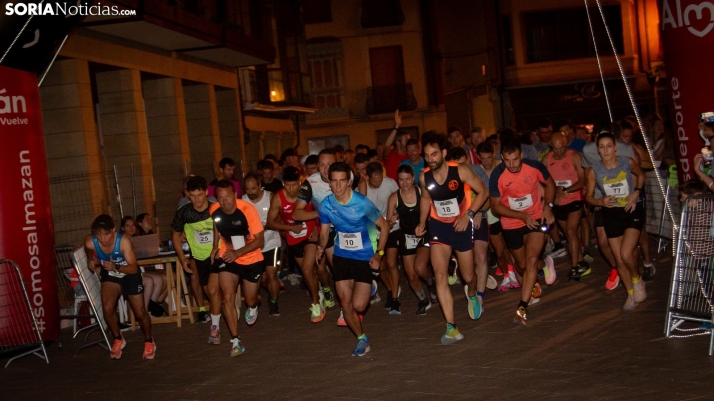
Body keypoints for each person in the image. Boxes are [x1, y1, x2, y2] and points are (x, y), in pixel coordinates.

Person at [414, 131, 489, 344]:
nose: (431, 159)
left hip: (461, 225)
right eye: (427, 155)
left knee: (468, 276)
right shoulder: (424, 177)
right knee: (440, 275)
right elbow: (426, 200)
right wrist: (422, 222)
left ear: (444, 153)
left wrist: (469, 214)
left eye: (435, 154)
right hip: (439, 227)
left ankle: (472, 294)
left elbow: (482, 192)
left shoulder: (461, 171)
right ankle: (451, 326)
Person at [316, 162, 391, 356]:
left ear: (349, 182)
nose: (338, 186)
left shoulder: (362, 203)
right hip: (342, 255)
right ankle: (361, 339)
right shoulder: (326, 205)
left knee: (359, 305)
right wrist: (320, 247)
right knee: (346, 303)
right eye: (334, 181)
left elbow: (384, 226)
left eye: (342, 181)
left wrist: (379, 254)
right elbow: (324, 233)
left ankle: (371, 286)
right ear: (329, 183)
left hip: (364, 256)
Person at [489, 138, 556, 326]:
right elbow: (495, 207)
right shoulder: (497, 175)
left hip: (535, 218)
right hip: (511, 223)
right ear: (502, 158)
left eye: (516, 160)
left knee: (531, 259)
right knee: (521, 266)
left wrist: (548, 207)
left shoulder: (534, 167)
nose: (512, 165)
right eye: (507, 160)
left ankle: (522, 308)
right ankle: (546, 263)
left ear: (522, 155)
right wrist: (520, 216)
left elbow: (551, 185)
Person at [584, 133, 646, 311]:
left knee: (627, 253)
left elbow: (641, 175)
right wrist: (600, 201)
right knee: (619, 258)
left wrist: (637, 193)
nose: (606, 150)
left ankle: (637, 279)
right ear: (598, 150)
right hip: (611, 214)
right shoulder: (593, 170)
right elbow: (588, 197)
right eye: (602, 147)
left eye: (609, 146)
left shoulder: (627, 162)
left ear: (615, 147)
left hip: (631, 210)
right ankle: (630, 294)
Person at [84, 214, 156, 360]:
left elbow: (134, 268)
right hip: (111, 275)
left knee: (140, 313)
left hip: (128, 274)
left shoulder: (123, 241)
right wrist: (91, 259)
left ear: (114, 230)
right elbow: (88, 250)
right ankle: (118, 337)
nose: (103, 239)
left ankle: (149, 341)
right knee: (107, 307)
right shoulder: (90, 242)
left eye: (106, 234)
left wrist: (115, 266)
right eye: (99, 235)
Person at [209, 180, 266, 357]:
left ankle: (254, 305)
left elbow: (259, 240)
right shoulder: (214, 210)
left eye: (227, 196)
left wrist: (238, 252)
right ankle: (235, 340)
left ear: (235, 195)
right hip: (228, 257)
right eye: (220, 197)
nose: (224, 201)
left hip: (251, 258)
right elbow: (216, 228)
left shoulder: (248, 210)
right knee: (228, 296)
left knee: (249, 300)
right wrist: (214, 246)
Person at [267, 166, 324, 322]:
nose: (291, 189)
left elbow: (322, 211)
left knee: (306, 270)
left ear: (300, 183)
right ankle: (317, 291)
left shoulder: (308, 192)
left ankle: (316, 303)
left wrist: (318, 229)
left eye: (295, 185)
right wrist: (289, 227)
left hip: (311, 234)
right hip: (293, 238)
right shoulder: (278, 198)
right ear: (283, 183)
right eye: (288, 185)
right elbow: (270, 222)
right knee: (309, 273)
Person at [444, 146, 495, 309]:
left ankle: (479, 297)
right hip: (457, 221)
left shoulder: (476, 172)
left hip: (478, 216)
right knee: (468, 260)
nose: (462, 168)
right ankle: (471, 273)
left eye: (464, 163)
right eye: (457, 164)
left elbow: (488, 196)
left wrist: (479, 211)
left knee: (480, 256)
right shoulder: (445, 176)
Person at [293, 149, 341, 319]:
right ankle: (323, 296)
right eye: (322, 165)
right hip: (326, 230)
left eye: (330, 164)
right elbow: (296, 214)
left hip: (347, 229)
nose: (326, 169)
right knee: (329, 268)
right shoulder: (310, 183)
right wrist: (320, 213)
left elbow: (362, 188)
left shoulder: (345, 175)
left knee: (343, 269)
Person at [386, 165, 438, 315]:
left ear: (413, 178)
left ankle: (430, 281)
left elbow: (434, 210)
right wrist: (392, 220)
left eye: (408, 179)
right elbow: (388, 223)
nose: (405, 183)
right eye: (401, 180)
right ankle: (423, 300)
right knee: (411, 275)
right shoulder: (394, 197)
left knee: (420, 268)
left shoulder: (422, 192)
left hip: (424, 234)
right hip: (407, 237)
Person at [170, 176, 217, 335]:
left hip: (219, 254)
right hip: (199, 256)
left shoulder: (215, 207)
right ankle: (207, 309)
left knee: (215, 289)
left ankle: (220, 319)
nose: (197, 200)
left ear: (206, 193)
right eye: (193, 196)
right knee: (209, 290)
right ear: (187, 195)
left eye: (200, 195)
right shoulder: (183, 212)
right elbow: (175, 235)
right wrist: (182, 257)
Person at [474, 142, 519, 290]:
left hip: (507, 210)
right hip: (490, 214)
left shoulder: (503, 166)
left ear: (494, 155)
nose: (487, 161)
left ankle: (513, 274)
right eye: (483, 158)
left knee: (511, 246)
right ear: (479, 158)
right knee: (499, 250)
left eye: (489, 157)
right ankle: (507, 275)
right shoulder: (476, 172)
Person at [544, 132, 588, 280]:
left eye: (562, 147)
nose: (559, 152)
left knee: (570, 231)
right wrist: (552, 192)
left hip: (574, 199)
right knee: (571, 236)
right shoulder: (546, 159)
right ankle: (582, 262)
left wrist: (566, 190)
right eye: (555, 148)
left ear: (565, 144)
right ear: (551, 146)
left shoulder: (575, 156)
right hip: (558, 203)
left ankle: (574, 267)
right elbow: (541, 182)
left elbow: (583, 180)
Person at [618, 121, 656, 282]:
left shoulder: (635, 149)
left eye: (629, 136)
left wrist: (635, 161)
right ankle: (632, 268)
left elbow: (650, 164)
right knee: (625, 234)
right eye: (623, 136)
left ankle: (648, 263)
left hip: (637, 193)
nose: (626, 139)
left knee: (641, 232)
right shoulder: (613, 150)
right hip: (620, 197)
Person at [242, 174, 282, 317]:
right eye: (248, 189)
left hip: (271, 242)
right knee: (263, 278)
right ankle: (272, 290)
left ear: (260, 185)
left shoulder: (270, 197)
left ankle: (273, 302)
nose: (251, 192)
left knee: (271, 274)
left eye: (253, 188)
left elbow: (278, 219)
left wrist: (269, 225)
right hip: (253, 246)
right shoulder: (242, 201)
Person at [364, 162, 401, 313]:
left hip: (392, 228)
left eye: (380, 179)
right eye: (374, 181)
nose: (378, 183)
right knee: (381, 266)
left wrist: (395, 216)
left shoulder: (390, 183)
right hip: (374, 232)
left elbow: (402, 200)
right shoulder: (362, 189)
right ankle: (392, 289)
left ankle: (394, 298)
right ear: (367, 178)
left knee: (391, 263)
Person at [121, 216, 166, 318]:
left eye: (133, 225)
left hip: (139, 269)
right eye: (128, 226)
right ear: (123, 228)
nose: (131, 228)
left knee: (159, 279)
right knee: (150, 281)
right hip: (127, 272)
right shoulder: (123, 241)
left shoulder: (137, 239)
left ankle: (149, 307)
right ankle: (143, 313)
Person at [382, 110, 410, 180]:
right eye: (406, 140)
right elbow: (386, 146)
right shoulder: (390, 154)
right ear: (398, 142)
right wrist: (396, 127)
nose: (409, 142)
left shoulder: (410, 155)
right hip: (391, 190)